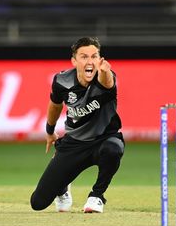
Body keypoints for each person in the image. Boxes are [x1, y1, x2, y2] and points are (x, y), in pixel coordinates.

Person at [30, 36, 125, 213]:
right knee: (38, 203)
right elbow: (55, 105)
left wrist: (104, 71)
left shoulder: (106, 76)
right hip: (74, 143)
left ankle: (97, 196)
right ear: (74, 61)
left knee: (114, 148)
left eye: (94, 56)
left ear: (100, 59)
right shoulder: (61, 81)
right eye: (84, 56)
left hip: (104, 140)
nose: (90, 61)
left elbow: (108, 82)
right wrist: (50, 131)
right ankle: (62, 188)